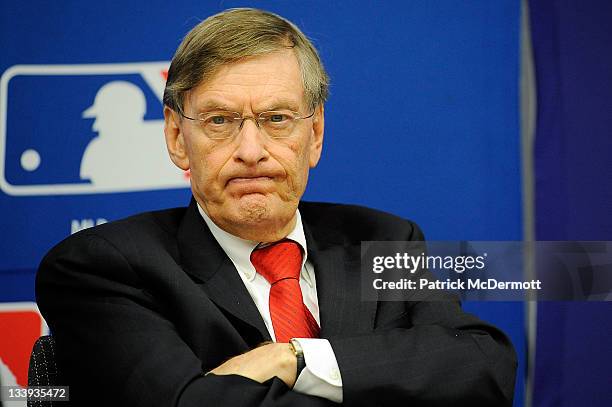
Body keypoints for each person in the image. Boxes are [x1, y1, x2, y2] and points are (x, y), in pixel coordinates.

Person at [36, 8, 517, 406]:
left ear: (316, 134)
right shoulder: (101, 267)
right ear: (177, 137)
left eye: (277, 119)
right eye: (220, 120)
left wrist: (295, 358)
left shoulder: (383, 239)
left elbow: (482, 364)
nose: (251, 150)